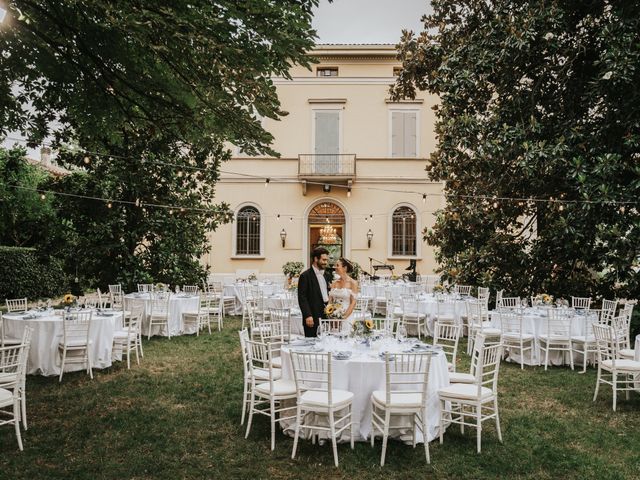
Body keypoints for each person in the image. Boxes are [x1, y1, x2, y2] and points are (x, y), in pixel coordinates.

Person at [297, 247, 332, 337]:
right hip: (312, 316)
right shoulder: (305, 276)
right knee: (311, 345)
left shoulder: (327, 275)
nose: (326, 262)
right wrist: (307, 315)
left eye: (326, 260)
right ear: (316, 259)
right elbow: (302, 298)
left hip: (326, 316)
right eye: (324, 260)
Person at [328, 258, 360, 334]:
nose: (335, 267)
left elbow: (353, 303)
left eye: (337, 265)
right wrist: (330, 314)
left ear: (345, 268)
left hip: (347, 315)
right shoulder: (334, 283)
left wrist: (343, 317)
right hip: (334, 317)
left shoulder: (353, 283)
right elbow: (330, 301)